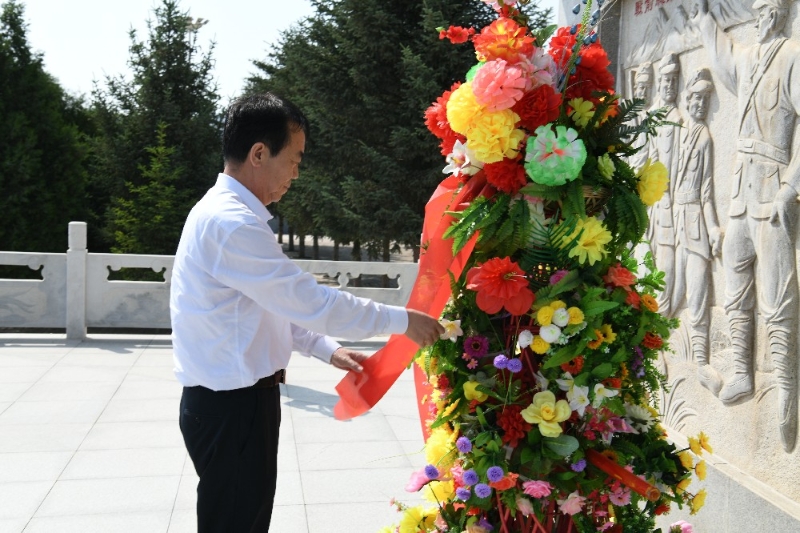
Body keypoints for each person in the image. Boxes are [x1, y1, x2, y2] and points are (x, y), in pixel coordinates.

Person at [170, 92, 444, 531]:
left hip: (237, 403)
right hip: (232, 409)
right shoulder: (230, 223)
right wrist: (403, 320)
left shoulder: (230, 215)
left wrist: (325, 349)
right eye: (294, 160)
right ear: (259, 153)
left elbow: (271, 306)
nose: (297, 174)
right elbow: (310, 302)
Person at [693, 0, 800, 451]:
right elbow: (721, 51)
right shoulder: (750, 57)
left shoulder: (793, 54)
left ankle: (786, 390)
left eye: (768, 11)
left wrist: (791, 187)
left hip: (773, 190)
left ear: (780, 13)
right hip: (739, 192)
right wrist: (702, 15)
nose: (761, 17)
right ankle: (741, 369)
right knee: (735, 284)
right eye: (757, 12)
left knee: (778, 293)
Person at [671, 68, 724, 395]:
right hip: (671, 220)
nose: (700, 104)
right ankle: (657, 348)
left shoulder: (704, 137)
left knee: (699, 290)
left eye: (706, 99)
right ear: (687, 100)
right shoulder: (677, 130)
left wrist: (714, 226)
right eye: (696, 98)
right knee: (672, 290)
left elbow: (706, 191)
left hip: (695, 223)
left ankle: (702, 360)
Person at [646, 53, 683, 317]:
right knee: (648, 256)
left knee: (668, 260)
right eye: (666, 80)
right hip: (652, 201)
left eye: (674, 80)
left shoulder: (679, 119)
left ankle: (664, 316)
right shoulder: (652, 117)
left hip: (672, 202)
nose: (669, 86)